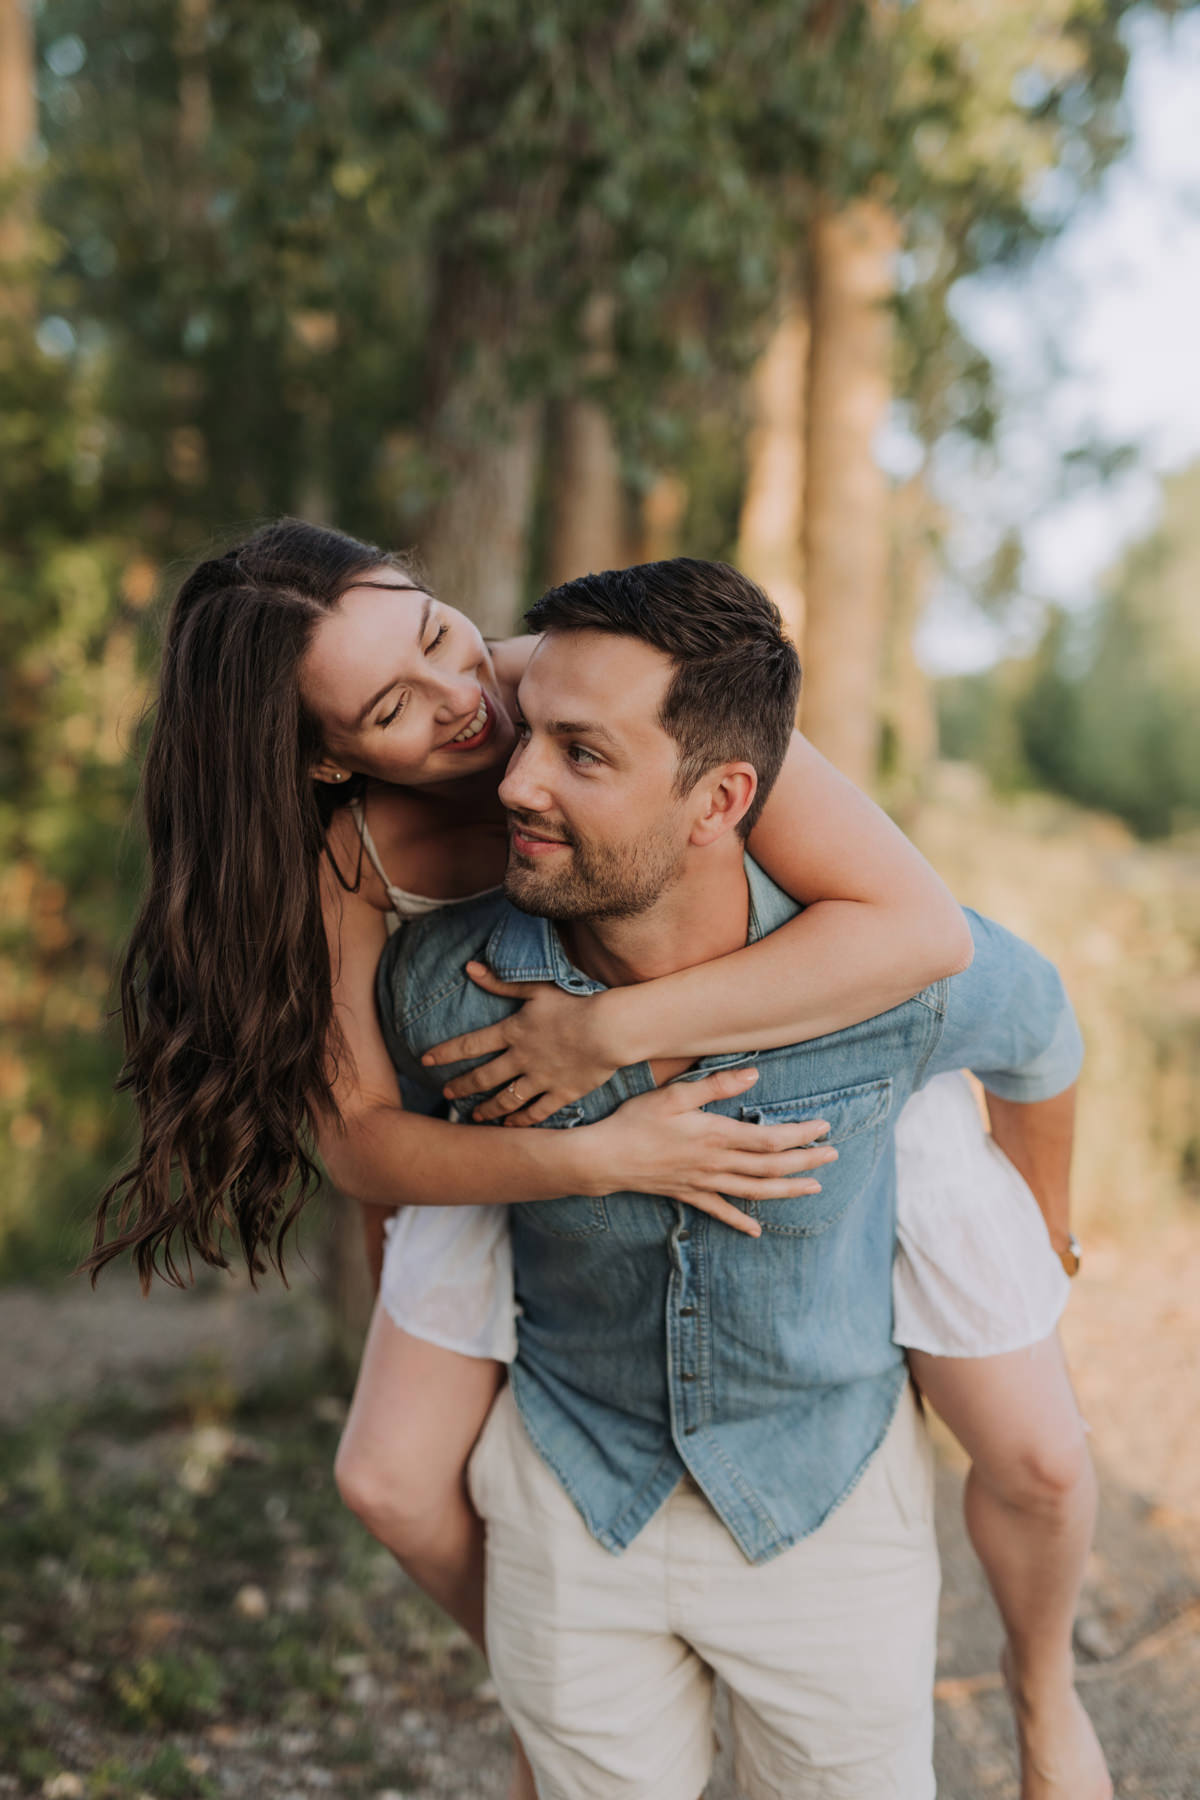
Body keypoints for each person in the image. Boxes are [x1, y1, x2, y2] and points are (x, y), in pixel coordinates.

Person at [88, 523, 1099, 1799]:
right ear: (321, 761)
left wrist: (607, 1035)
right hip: (502, 1105)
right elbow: (360, 1143)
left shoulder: (597, 689)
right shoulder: (350, 860)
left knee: (1039, 1449)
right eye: (395, 707)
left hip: (782, 1018)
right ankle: (561, 1682)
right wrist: (597, 1148)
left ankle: (1043, 1684)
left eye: (440, 632)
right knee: (392, 1476)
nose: (469, 707)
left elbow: (922, 933)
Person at [370, 560, 1112, 1800]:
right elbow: (384, 1160)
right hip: (571, 1495)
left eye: (582, 755)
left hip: (820, 1510)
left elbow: (1041, 1031)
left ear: (721, 801)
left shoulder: (888, 979)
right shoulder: (450, 989)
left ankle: (1049, 1700)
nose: (513, 781)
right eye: (528, 731)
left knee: (1041, 1460)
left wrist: (1046, 1228)